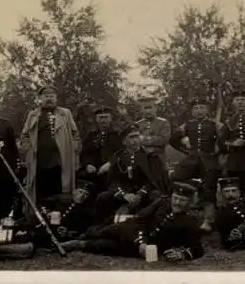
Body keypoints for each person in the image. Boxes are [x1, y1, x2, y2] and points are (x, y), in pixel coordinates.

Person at [61, 181, 205, 262]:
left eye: (182, 200)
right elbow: (141, 218)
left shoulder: (191, 221)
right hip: (135, 232)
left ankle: (78, 244)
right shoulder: (162, 202)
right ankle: (80, 235)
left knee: (107, 245)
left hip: (148, 250)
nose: (177, 203)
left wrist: (182, 254)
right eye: (176, 198)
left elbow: (197, 249)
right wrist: (141, 241)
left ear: (189, 202)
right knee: (108, 230)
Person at [20, 85, 81, 221]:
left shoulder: (65, 113)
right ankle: (40, 221)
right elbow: (24, 136)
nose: (49, 99)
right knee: (40, 193)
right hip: (39, 161)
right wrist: (28, 150)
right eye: (46, 96)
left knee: (61, 192)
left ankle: (61, 221)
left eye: (52, 96)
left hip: (61, 161)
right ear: (40, 99)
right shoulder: (33, 115)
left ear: (56, 98)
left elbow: (75, 134)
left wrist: (73, 150)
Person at [93, 125, 171, 226]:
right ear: (124, 141)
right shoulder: (119, 157)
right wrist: (124, 194)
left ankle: (154, 228)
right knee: (102, 197)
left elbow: (154, 180)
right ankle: (101, 227)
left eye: (137, 136)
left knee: (156, 197)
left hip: (146, 192)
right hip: (125, 193)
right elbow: (114, 180)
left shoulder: (150, 157)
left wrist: (140, 194)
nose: (135, 140)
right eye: (131, 137)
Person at [169, 97, 222, 232]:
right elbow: (173, 139)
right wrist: (186, 150)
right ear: (192, 111)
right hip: (191, 159)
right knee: (175, 178)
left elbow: (223, 140)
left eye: (202, 108)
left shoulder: (214, 124)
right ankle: (181, 212)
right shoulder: (187, 125)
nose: (199, 111)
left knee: (209, 189)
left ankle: (209, 221)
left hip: (209, 160)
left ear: (207, 110)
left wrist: (217, 150)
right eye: (196, 108)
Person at [219, 88, 245, 193]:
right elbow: (220, 144)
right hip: (234, 164)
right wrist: (232, 144)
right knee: (234, 191)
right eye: (237, 100)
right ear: (233, 103)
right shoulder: (228, 122)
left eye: (243, 99)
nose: (240, 102)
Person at [77, 105, 124, 192]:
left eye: (106, 117)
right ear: (96, 119)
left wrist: (110, 163)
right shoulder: (92, 135)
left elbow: (123, 152)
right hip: (95, 169)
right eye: (100, 118)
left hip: (115, 169)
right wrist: (88, 164)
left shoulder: (119, 134)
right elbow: (85, 153)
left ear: (111, 118)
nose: (103, 120)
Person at [136, 96, 171, 166]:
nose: (148, 111)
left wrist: (143, 139)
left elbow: (164, 140)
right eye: (145, 108)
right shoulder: (138, 124)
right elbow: (136, 141)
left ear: (155, 108)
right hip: (143, 160)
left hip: (159, 158)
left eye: (150, 108)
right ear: (142, 110)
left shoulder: (163, 122)